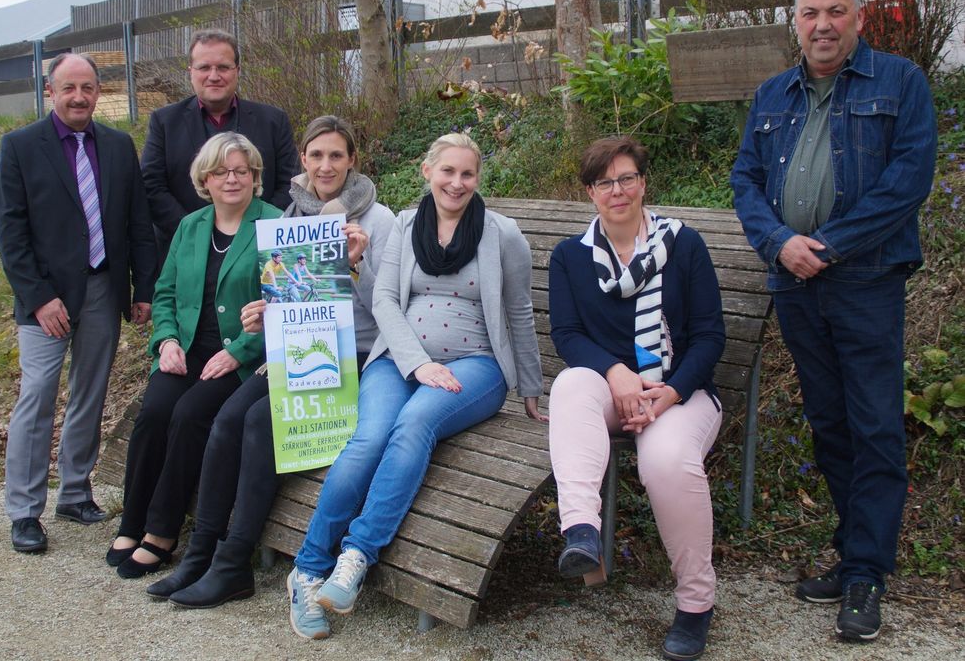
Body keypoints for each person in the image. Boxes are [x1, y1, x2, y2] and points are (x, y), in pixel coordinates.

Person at [730, 0, 937, 642]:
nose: (821, 24)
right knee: (828, 423)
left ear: (858, 17)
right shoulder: (771, 94)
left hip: (864, 280)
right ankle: (853, 556)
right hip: (793, 283)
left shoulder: (898, 84)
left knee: (873, 423)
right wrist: (778, 242)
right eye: (810, 13)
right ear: (795, 21)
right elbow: (745, 179)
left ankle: (866, 576)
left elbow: (907, 180)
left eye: (835, 12)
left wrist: (826, 244)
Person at [286, 132, 544, 640]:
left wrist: (532, 390)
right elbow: (383, 300)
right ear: (428, 172)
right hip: (399, 360)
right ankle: (308, 569)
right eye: (447, 171)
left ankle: (356, 557)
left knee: (415, 423)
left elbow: (519, 311)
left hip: (476, 367)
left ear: (477, 178)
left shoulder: (502, 235)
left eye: (467, 173)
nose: (457, 182)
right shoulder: (405, 226)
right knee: (366, 441)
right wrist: (417, 363)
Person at [144, 115, 394, 609]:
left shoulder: (378, 220)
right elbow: (287, 298)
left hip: (357, 354)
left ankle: (235, 561)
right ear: (302, 160)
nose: (325, 165)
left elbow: (389, 304)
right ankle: (201, 555)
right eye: (316, 155)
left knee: (262, 422)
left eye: (336, 155)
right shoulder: (288, 219)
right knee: (227, 419)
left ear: (351, 162)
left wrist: (357, 266)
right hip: (298, 348)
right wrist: (263, 313)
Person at [548, 136, 725, 661]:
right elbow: (568, 336)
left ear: (643, 184)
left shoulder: (684, 245)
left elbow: (710, 336)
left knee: (666, 460)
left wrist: (667, 394)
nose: (617, 190)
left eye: (627, 178)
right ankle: (581, 531)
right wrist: (618, 373)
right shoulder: (570, 257)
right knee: (571, 383)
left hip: (682, 390)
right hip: (610, 388)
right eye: (605, 182)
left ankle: (696, 604)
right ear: (590, 193)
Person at [0, 53, 157, 553]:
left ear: (98, 89)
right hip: (46, 297)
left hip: (103, 288)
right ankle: (24, 509)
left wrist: (142, 289)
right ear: (51, 91)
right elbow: (11, 232)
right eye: (69, 88)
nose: (79, 96)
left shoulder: (117, 145)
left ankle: (75, 491)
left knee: (90, 390)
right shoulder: (20, 147)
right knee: (38, 395)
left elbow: (136, 221)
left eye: (88, 87)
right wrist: (39, 298)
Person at [108, 132, 281, 578]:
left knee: (188, 415)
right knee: (154, 412)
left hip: (238, 359)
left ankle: (162, 532)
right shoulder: (191, 226)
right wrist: (165, 341)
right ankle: (133, 519)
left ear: (255, 177)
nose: (232, 179)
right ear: (205, 177)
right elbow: (164, 293)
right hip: (185, 351)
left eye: (242, 170)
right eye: (222, 171)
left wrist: (239, 353)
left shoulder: (273, 226)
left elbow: (288, 310)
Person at [141, 28, 297, 260]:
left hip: (258, 252)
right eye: (204, 67)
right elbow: (152, 186)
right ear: (191, 72)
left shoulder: (273, 121)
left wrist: (257, 232)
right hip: (186, 252)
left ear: (238, 71)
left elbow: (289, 184)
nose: (214, 75)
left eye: (223, 67)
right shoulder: (164, 123)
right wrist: (195, 233)